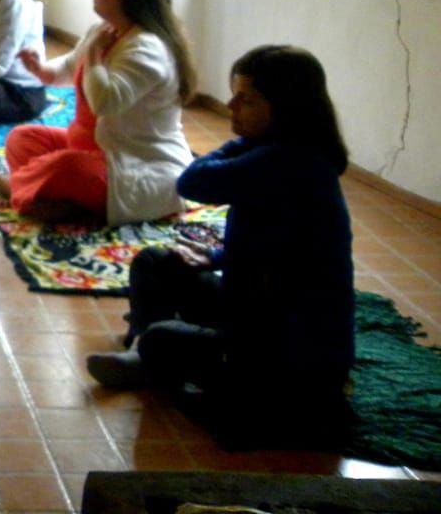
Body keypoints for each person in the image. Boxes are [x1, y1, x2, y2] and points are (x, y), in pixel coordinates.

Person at [85, 46, 354, 446]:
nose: (230, 106)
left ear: (284, 108)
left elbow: (192, 180)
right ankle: (146, 355)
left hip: (286, 352)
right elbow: (280, 245)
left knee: (163, 337)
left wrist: (238, 145)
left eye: (246, 99)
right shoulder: (281, 153)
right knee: (156, 262)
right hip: (253, 306)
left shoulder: (287, 161)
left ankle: (150, 353)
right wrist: (214, 257)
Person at [0, 0, 195, 225]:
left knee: (67, 168)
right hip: (95, 148)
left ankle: (14, 188)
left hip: (141, 166)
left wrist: (96, 57)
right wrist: (41, 69)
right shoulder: (104, 30)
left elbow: (105, 101)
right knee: (23, 138)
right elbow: (68, 67)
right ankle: (61, 201)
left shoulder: (147, 48)